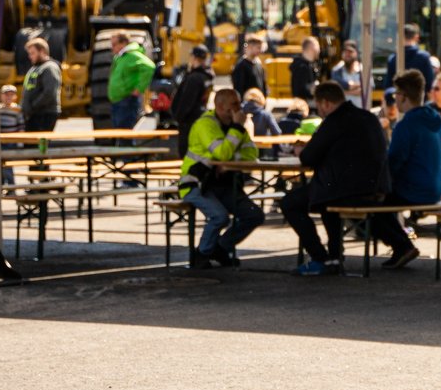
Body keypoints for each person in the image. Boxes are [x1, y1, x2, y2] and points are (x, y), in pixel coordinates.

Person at [283, 81, 417, 274]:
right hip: (378, 186)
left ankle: (321, 258)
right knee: (326, 197)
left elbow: (309, 157)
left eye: (319, 106)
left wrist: (300, 150)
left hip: (347, 189)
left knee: (291, 203)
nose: (319, 110)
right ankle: (335, 257)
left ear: (326, 103)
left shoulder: (334, 121)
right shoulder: (367, 117)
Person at [178, 88, 265, 268]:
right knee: (220, 217)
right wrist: (237, 129)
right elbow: (222, 153)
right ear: (219, 106)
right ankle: (202, 254)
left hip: (224, 185)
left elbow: (252, 153)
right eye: (234, 104)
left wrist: (228, 162)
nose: (239, 108)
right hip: (197, 184)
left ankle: (220, 247)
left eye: (239, 103)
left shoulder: (235, 126)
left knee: (254, 215)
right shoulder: (205, 125)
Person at [387, 70, 441, 206]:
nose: (395, 98)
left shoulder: (406, 125)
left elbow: (393, 162)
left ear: (403, 96)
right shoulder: (436, 119)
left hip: (414, 193)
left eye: (396, 94)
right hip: (438, 190)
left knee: (372, 201)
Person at [170, 45, 214, 157]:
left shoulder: (194, 78)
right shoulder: (207, 76)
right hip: (200, 117)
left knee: (187, 153)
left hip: (189, 121)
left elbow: (187, 102)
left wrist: (178, 117)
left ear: (194, 58)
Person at [107, 32, 155, 131]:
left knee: (125, 133)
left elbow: (149, 67)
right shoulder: (120, 57)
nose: (112, 47)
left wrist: (139, 89)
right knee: (119, 132)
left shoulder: (132, 55)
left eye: (114, 44)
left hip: (126, 101)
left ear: (123, 43)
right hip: (118, 101)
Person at [20, 37, 62, 133]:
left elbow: (49, 92)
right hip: (34, 114)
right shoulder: (35, 68)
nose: (30, 56)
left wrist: (33, 106)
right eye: (29, 53)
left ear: (42, 51)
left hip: (44, 115)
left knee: (40, 142)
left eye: (32, 53)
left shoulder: (49, 68)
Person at [385, 23, 436, 90]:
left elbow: (388, 84)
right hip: (419, 95)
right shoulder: (424, 57)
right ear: (416, 37)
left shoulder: (393, 59)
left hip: (400, 95)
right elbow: (430, 82)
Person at [330, 40, 364, 108]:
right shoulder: (336, 70)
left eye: (350, 52)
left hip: (360, 110)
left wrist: (345, 92)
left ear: (356, 53)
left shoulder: (363, 69)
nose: (347, 54)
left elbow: (365, 90)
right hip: (343, 111)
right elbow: (336, 92)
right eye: (345, 52)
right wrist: (358, 85)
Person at [291, 36, 322, 103]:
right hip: (304, 105)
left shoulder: (309, 65)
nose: (319, 50)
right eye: (318, 47)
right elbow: (299, 92)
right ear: (312, 47)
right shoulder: (301, 67)